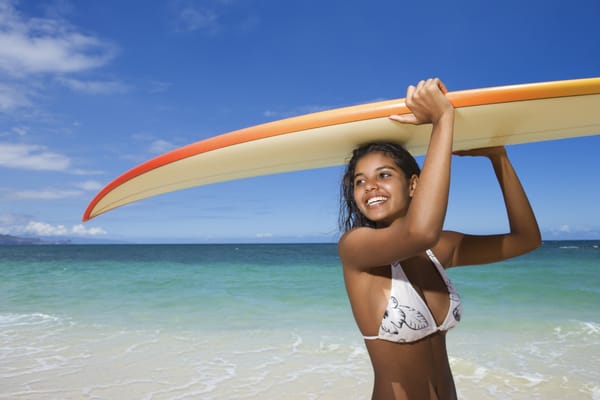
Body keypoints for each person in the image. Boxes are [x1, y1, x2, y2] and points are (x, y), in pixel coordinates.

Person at [337, 78, 541, 400]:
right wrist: (443, 119)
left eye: (384, 175)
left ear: (414, 185)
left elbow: (526, 239)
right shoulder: (356, 248)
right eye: (360, 181)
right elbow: (419, 231)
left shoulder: (436, 251)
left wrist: (499, 159)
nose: (370, 186)